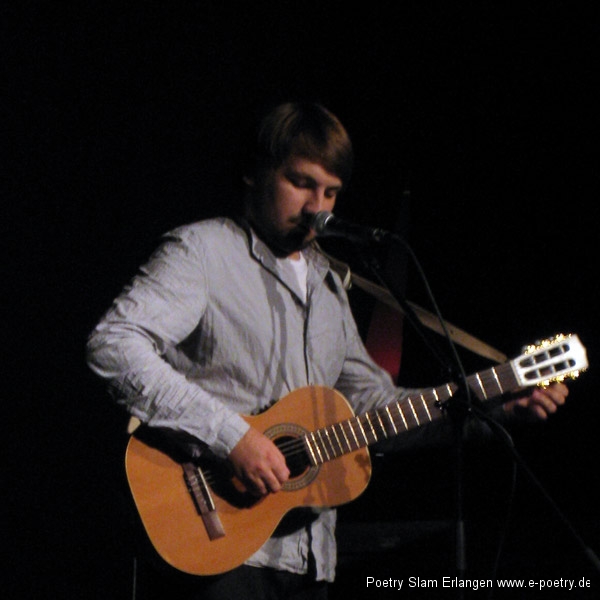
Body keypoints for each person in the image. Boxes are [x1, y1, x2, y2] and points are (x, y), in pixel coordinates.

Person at [86, 101, 569, 599]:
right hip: (218, 550)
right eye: (301, 183)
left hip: (312, 562)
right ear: (255, 172)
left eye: (331, 192)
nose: (318, 208)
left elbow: (375, 411)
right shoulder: (203, 252)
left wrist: (492, 408)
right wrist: (232, 437)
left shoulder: (330, 287)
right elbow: (113, 345)